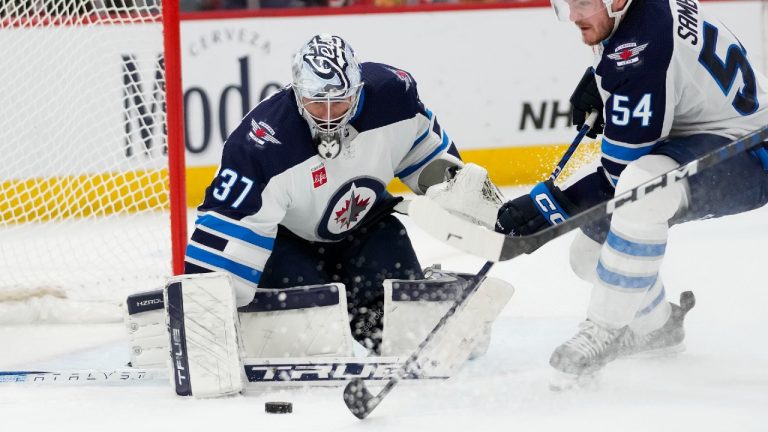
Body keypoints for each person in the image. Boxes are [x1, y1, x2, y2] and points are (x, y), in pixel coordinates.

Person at [489, 0, 768, 385]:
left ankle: (604, 329)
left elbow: (621, 183)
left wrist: (550, 203)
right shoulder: (640, 18)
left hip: (751, 153)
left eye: (583, 3)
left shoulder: (638, 50)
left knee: (642, 189)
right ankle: (659, 328)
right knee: (589, 255)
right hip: (711, 132)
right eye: (565, 3)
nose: (572, 16)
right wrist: (606, 85)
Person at [181, 33, 475, 354]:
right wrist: (202, 325)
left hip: (366, 229)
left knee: (403, 327)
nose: (329, 113)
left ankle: (388, 321)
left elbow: (431, 159)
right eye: (317, 101)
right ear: (297, 93)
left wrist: (470, 206)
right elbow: (227, 239)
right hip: (287, 242)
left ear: (358, 88)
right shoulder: (261, 146)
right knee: (314, 336)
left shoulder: (394, 97)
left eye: (340, 100)